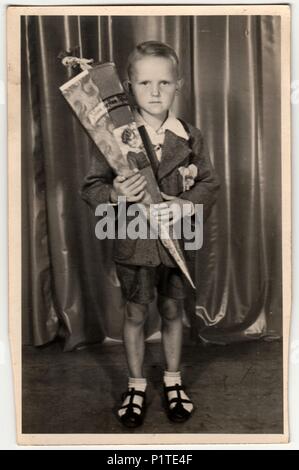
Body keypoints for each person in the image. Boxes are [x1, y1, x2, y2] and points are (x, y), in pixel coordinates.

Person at [80, 40, 220, 428]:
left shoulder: (190, 136)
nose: (155, 92)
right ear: (129, 87)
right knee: (136, 311)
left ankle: (173, 381)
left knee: (173, 309)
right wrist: (114, 192)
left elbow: (210, 184)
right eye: (144, 84)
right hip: (134, 243)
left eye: (164, 82)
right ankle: (136, 384)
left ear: (179, 85)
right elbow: (90, 188)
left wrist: (184, 204)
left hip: (177, 241)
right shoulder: (113, 137)